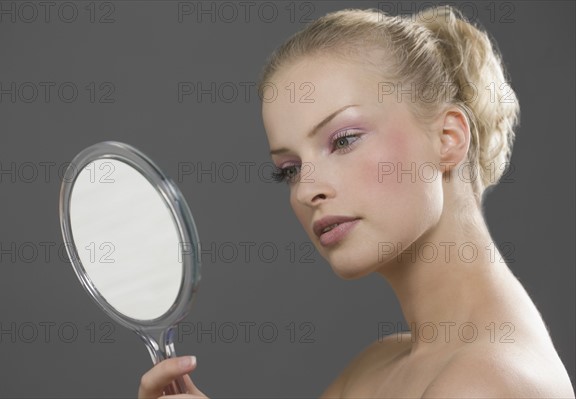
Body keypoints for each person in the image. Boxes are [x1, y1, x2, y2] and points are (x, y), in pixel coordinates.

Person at [138, 5, 575, 398]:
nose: (308, 190)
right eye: (289, 169)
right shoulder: (373, 371)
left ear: (448, 139)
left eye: (344, 140)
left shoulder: (484, 384)